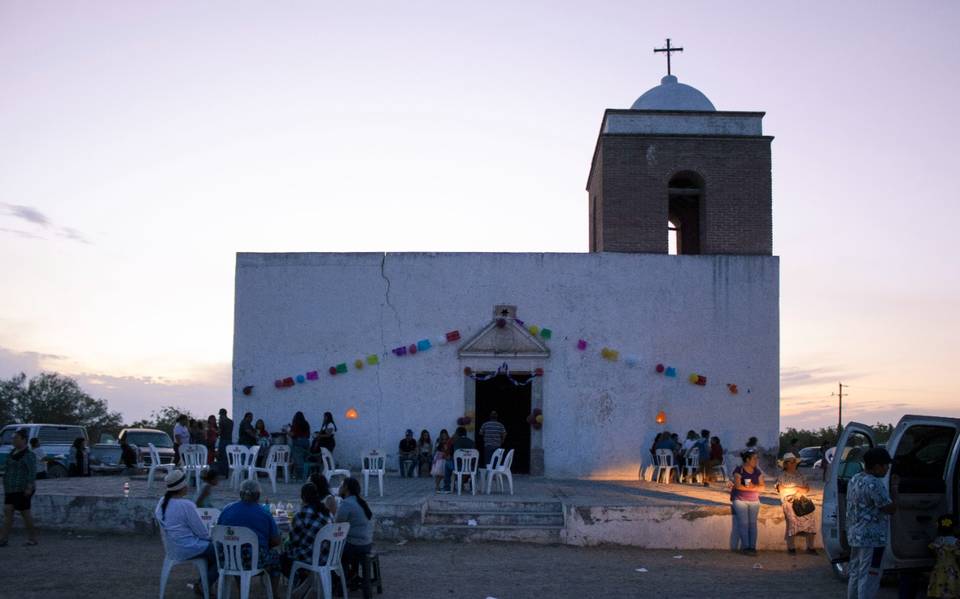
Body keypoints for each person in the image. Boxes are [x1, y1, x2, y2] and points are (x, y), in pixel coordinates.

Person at [846, 447, 897, 599]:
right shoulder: (875, 483)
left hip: (855, 535)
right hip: (872, 539)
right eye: (885, 466)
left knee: (855, 573)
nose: (887, 469)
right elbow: (890, 508)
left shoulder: (854, 479)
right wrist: (895, 489)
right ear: (876, 466)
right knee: (870, 575)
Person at [154, 469, 217, 594]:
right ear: (182, 487)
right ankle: (203, 585)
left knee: (213, 552)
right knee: (223, 554)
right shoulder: (186, 505)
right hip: (187, 547)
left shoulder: (162, 502)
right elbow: (202, 533)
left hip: (172, 547)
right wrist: (213, 537)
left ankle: (204, 583)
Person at [217, 479, 282, 596]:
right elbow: (276, 540)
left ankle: (242, 589)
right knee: (276, 557)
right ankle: (274, 593)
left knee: (236, 551)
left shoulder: (227, 510)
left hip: (228, 559)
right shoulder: (264, 513)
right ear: (258, 495)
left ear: (240, 494)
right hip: (254, 561)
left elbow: (219, 531)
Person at [282, 482, 332, 584]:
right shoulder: (326, 512)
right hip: (329, 556)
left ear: (303, 497)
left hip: (312, 556)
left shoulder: (301, 514)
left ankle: (299, 579)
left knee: (282, 557)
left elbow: (294, 541)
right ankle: (304, 577)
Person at [336, 477, 374, 596]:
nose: (339, 488)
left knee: (335, 553)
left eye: (341, 485)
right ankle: (352, 576)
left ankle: (341, 585)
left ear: (346, 488)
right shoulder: (361, 501)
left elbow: (338, 524)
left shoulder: (347, 503)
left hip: (356, 545)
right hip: (367, 543)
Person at [0, 428, 38, 546]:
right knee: (8, 511)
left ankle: (32, 538)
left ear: (24, 440)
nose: (13, 440)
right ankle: (3, 538)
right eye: (13, 438)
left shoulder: (29, 455)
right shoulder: (12, 453)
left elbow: (32, 472)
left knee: (25, 513)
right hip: (10, 488)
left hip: (22, 488)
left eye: (16, 438)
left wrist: (29, 487)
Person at [775, 452, 817, 554]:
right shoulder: (782, 476)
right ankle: (791, 547)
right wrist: (797, 488)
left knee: (811, 517)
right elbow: (781, 489)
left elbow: (806, 489)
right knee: (792, 518)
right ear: (786, 464)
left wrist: (796, 489)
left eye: (794, 461)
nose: (794, 463)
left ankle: (811, 547)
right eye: (791, 462)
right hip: (789, 501)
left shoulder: (800, 474)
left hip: (801, 500)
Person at [730, 449, 764, 556]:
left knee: (753, 525)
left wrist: (749, 487)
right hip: (740, 500)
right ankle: (746, 547)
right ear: (747, 459)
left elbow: (763, 487)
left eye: (757, 458)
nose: (757, 460)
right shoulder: (739, 470)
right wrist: (755, 488)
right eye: (754, 458)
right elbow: (738, 486)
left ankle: (752, 547)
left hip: (754, 501)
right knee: (744, 524)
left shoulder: (757, 471)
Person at [927, 514, 959, 598]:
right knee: (952, 590)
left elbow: (932, 552)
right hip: (951, 570)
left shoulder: (937, 541)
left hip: (938, 569)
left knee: (939, 590)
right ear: (954, 528)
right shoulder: (956, 542)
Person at [442, 427, 475, 493]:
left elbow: (451, 455)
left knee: (447, 463)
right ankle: (472, 487)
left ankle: (447, 487)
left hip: (458, 467)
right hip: (470, 468)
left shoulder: (454, 442)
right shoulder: (472, 442)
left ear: (457, 434)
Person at [289, 411, 311, 479]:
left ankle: (300, 476)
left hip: (298, 442)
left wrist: (287, 432)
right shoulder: (306, 423)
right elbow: (308, 434)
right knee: (305, 459)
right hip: (306, 442)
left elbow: (293, 434)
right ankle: (306, 475)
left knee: (298, 459)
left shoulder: (296, 424)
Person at [216, 408, 233, 475]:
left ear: (221, 414)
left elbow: (220, 432)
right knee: (227, 458)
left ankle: (221, 472)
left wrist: (215, 431)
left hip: (223, 441)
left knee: (221, 457)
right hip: (229, 441)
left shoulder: (222, 421)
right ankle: (227, 472)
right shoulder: (231, 421)